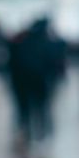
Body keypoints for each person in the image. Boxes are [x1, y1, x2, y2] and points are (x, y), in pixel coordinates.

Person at [9, 18, 57, 148]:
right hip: (39, 82)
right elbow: (53, 63)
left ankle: (29, 132)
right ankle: (40, 134)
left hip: (24, 82)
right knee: (40, 109)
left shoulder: (21, 41)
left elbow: (12, 63)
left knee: (26, 110)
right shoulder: (46, 42)